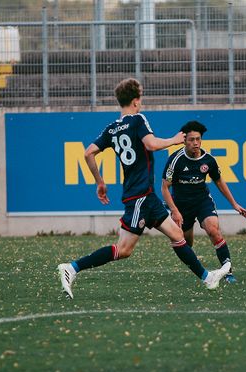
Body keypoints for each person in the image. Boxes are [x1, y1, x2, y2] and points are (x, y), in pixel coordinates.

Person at [57, 78, 230, 299]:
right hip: (139, 196)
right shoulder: (138, 119)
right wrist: (174, 140)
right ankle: (71, 268)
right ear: (136, 101)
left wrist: (99, 182)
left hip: (145, 195)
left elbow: (88, 152)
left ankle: (208, 278)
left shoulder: (111, 129)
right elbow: (150, 144)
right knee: (124, 250)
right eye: (141, 97)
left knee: (177, 234)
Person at [161, 120, 246, 284]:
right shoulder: (176, 160)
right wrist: (174, 210)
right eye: (191, 139)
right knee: (186, 243)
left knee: (213, 230)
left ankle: (227, 271)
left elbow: (219, 182)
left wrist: (234, 204)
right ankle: (200, 271)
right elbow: (164, 187)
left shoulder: (208, 160)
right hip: (182, 206)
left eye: (198, 139)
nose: (195, 143)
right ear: (185, 140)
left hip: (202, 202)